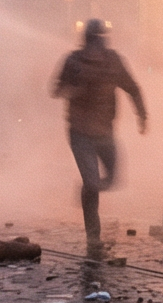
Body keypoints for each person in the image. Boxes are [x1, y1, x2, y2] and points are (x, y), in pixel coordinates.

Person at [51, 19, 147, 257]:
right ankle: (93, 238)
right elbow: (56, 90)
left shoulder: (113, 61)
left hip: (105, 132)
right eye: (94, 39)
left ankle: (87, 188)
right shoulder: (72, 62)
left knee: (114, 177)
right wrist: (75, 88)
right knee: (93, 184)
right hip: (80, 133)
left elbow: (132, 87)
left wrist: (142, 116)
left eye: (101, 39)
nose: (98, 43)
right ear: (86, 40)